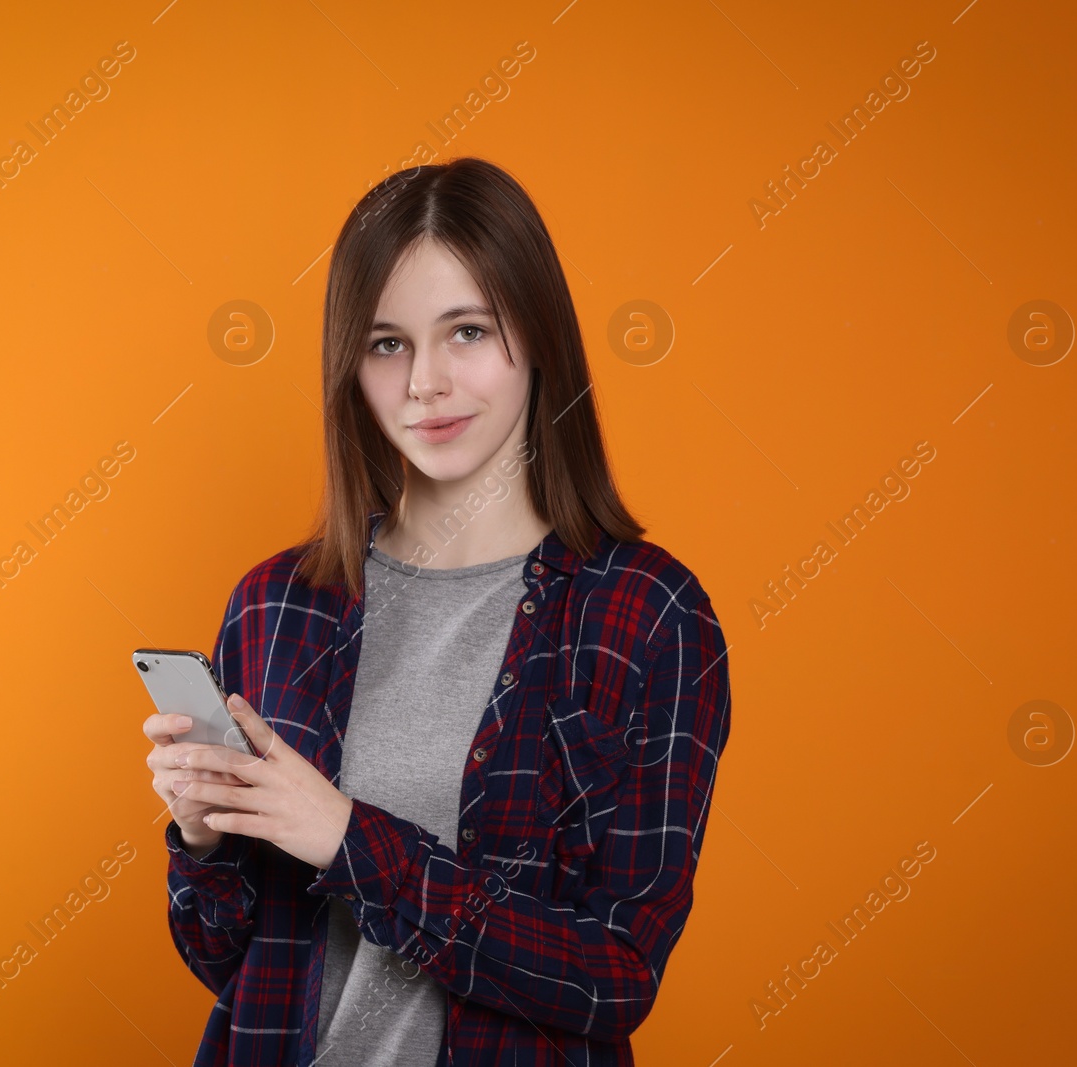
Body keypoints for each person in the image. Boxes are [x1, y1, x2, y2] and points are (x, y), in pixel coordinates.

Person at [142, 156, 732, 1066]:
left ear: (536, 336)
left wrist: (346, 837)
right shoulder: (273, 605)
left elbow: (612, 977)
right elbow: (229, 962)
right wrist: (203, 838)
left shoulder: (645, 614)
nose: (424, 382)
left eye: (465, 331)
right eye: (386, 343)